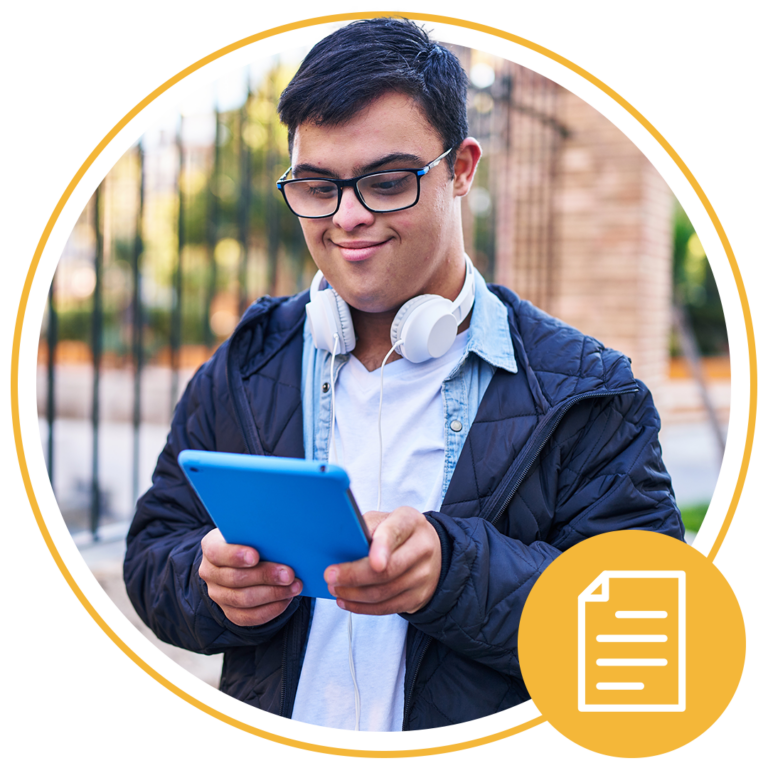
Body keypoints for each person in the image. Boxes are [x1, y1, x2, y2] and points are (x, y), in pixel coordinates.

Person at [124, 17, 685, 732]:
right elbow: (152, 557)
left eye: (387, 182)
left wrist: (452, 576)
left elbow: (648, 635)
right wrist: (209, 585)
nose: (348, 217)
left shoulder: (591, 394)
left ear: (461, 169)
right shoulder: (246, 362)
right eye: (318, 186)